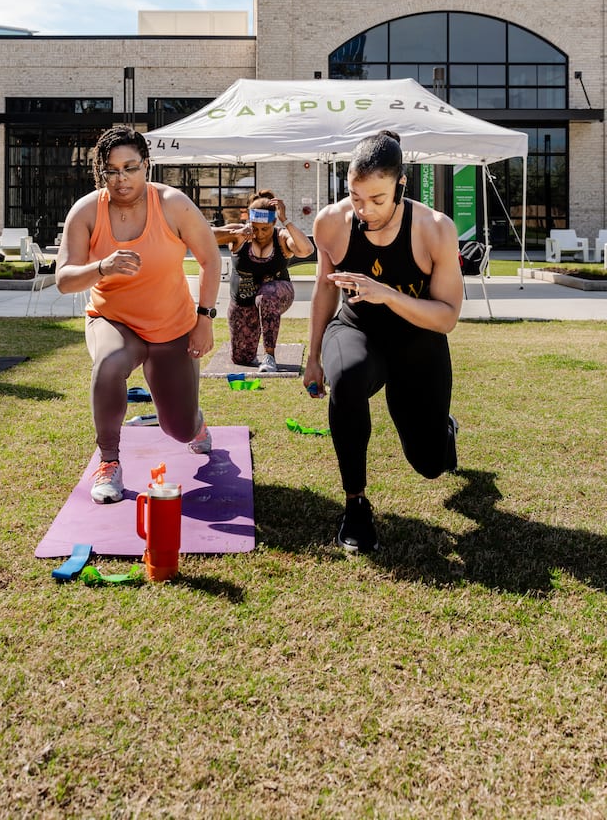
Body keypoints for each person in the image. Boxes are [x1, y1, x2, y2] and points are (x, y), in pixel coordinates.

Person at [303, 131, 463, 554]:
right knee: (347, 379)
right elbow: (324, 289)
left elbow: (447, 317)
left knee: (429, 464)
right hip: (357, 330)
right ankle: (355, 504)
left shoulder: (434, 228)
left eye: (377, 199)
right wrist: (313, 356)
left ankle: (443, 431)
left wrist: (388, 294)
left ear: (401, 185)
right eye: (356, 196)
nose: (365, 209)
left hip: (418, 340)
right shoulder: (331, 223)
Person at [55, 125, 222, 504]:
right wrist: (102, 267)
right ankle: (109, 462)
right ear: (100, 173)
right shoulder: (87, 211)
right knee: (109, 363)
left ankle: (195, 424)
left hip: (172, 325)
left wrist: (205, 318)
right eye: (111, 171)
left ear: (146, 165)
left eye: (130, 168)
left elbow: (211, 259)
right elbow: (64, 280)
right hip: (113, 319)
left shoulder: (173, 204)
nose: (121, 179)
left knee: (178, 428)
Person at [213, 190, 314, 372]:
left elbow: (307, 249)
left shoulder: (281, 237)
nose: (259, 234)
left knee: (266, 295)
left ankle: (269, 356)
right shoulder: (240, 233)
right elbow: (203, 234)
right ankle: (251, 348)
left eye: (265, 229)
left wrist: (285, 220)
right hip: (244, 300)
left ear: (273, 223)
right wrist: (236, 232)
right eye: (255, 228)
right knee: (241, 358)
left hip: (277, 294)